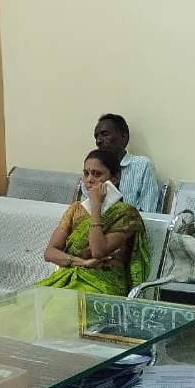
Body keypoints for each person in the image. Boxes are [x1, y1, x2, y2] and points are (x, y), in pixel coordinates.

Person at [38, 149, 149, 296]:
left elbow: (98, 251)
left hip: (105, 283)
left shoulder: (126, 213)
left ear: (115, 178)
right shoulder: (75, 209)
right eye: (86, 174)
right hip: (69, 277)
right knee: (28, 302)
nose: (89, 180)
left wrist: (96, 205)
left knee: (61, 306)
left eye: (97, 174)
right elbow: (50, 252)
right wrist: (82, 262)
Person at [91, 113, 163, 213]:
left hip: (132, 222)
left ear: (124, 137)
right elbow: (84, 213)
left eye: (105, 134)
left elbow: (148, 213)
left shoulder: (142, 166)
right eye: (96, 136)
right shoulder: (92, 170)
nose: (99, 141)